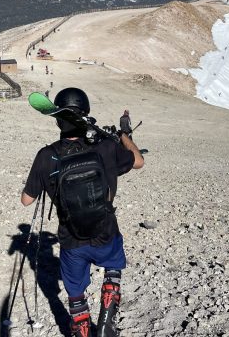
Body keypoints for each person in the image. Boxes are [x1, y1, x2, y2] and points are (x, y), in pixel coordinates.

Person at [21, 88, 144, 337]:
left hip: (71, 239)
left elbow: (26, 200)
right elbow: (138, 160)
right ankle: (108, 316)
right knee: (112, 265)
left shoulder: (46, 155)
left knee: (75, 290)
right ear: (86, 116)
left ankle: (82, 328)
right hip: (105, 232)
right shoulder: (106, 148)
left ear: (57, 119)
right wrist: (123, 135)